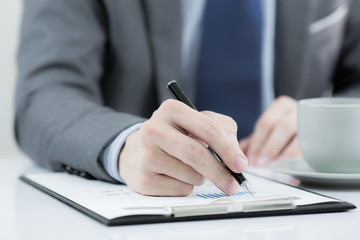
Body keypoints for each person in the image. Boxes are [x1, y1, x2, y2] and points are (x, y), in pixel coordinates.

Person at [15, 0, 360, 196]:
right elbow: (46, 92)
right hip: (152, 213)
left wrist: (335, 126)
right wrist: (126, 144)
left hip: (306, 205)